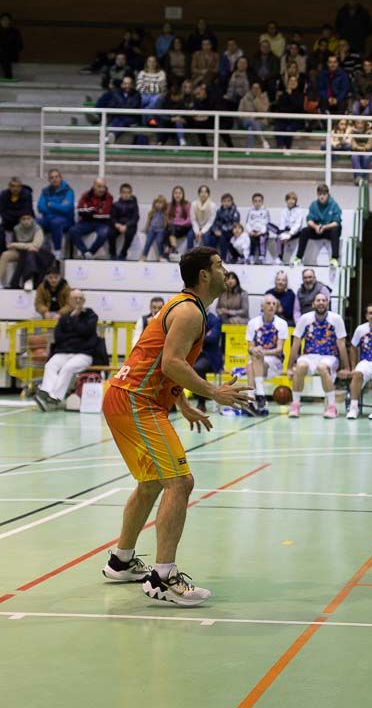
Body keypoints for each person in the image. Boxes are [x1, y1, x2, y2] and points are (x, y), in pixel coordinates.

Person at [101, 247, 253, 605]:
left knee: (153, 481)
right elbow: (170, 363)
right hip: (136, 401)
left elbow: (159, 358)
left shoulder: (185, 307)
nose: (224, 270)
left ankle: (121, 561)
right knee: (180, 481)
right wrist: (214, 392)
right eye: (218, 265)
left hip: (128, 397)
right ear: (203, 274)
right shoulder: (188, 311)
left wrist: (182, 403)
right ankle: (163, 578)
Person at [33, 289, 104, 411]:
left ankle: (55, 398)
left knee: (68, 368)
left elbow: (85, 331)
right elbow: (59, 337)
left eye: (80, 298)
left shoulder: (91, 315)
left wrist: (75, 318)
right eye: (74, 298)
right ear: (69, 301)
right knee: (50, 365)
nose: (77, 301)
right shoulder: (63, 318)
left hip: (84, 354)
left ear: (84, 301)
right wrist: (74, 329)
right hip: (64, 352)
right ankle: (45, 392)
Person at [286, 292, 349, 419]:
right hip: (309, 355)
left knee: (322, 367)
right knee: (300, 366)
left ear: (327, 303)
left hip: (329, 356)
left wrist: (347, 367)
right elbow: (296, 344)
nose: (321, 303)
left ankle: (332, 407)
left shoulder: (336, 319)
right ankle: (295, 405)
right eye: (318, 300)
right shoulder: (305, 319)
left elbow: (342, 345)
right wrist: (288, 367)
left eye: (324, 300)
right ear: (313, 303)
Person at [245, 295, 289, 417]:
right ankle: (253, 400)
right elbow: (250, 348)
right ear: (262, 306)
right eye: (268, 303)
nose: (271, 306)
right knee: (251, 364)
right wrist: (255, 351)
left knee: (254, 359)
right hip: (258, 363)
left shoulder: (282, 323)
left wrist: (260, 351)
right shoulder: (252, 323)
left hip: (275, 363)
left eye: (274, 304)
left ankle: (257, 395)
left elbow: (279, 350)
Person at [294, 184, 341, 267]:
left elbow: (336, 222)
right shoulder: (314, 205)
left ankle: (334, 259)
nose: (322, 197)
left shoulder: (334, 205)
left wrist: (325, 227)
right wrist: (316, 227)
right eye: (320, 194)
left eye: (324, 194)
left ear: (328, 195)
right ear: (317, 195)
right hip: (317, 229)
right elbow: (309, 220)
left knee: (336, 229)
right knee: (305, 231)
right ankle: (298, 258)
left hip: (329, 230)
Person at [67, 178, 113, 259]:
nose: (102, 189)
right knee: (72, 230)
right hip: (86, 222)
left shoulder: (109, 197)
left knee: (104, 233)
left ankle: (90, 253)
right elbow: (80, 210)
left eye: (104, 187)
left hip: (102, 223)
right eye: (99, 187)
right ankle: (85, 252)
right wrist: (94, 210)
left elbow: (106, 214)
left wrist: (89, 211)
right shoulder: (86, 195)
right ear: (94, 186)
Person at [0, 214, 46, 290]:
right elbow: (11, 245)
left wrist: (17, 245)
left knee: (30, 253)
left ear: (32, 219)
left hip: (33, 253)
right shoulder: (16, 229)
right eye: (23, 219)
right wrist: (19, 245)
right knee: (5, 255)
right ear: (20, 220)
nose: (26, 221)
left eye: (28, 219)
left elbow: (35, 246)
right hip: (19, 252)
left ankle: (28, 280)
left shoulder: (37, 229)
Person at [37, 169, 75, 258]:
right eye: (51, 178)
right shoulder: (45, 191)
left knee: (56, 222)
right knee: (34, 222)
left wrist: (51, 204)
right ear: (49, 180)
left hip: (66, 220)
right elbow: (40, 207)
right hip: (49, 218)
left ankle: (57, 252)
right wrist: (59, 206)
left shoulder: (68, 191)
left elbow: (67, 208)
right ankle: (35, 250)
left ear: (61, 178)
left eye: (56, 177)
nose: (54, 179)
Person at [108, 183, 139, 261]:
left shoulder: (134, 205)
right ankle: (113, 254)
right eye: (124, 192)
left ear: (131, 194)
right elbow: (112, 218)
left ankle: (123, 253)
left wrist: (126, 226)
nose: (126, 194)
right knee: (110, 233)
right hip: (118, 225)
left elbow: (135, 218)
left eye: (128, 193)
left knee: (130, 233)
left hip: (130, 225)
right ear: (120, 193)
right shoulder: (115, 204)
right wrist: (117, 225)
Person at [0, 12, 23, 80]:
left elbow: (20, 46)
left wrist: (9, 49)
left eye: (7, 20)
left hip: (11, 55)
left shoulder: (15, 32)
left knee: (5, 55)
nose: (5, 22)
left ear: (10, 21)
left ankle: (8, 77)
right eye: (3, 20)